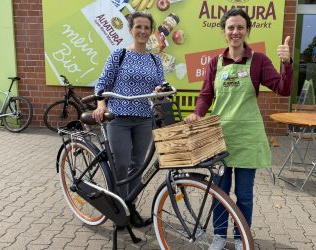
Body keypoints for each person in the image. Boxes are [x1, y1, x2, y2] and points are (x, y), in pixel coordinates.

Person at [185, 8, 293, 250]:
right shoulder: (215, 62)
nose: (235, 32)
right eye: (231, 27)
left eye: (240, 27)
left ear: (247, 31)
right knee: (220, 192)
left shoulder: (259, 61)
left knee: (244, 194)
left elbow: (283, 89)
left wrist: (286, 63)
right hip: (220, 137)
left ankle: (241, 236)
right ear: (224, 32)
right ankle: (220, 236)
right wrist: (197, 114)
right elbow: (206, 95)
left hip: (247, 138)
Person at [92, 11, 165, 228]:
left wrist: (160, 89)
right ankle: (118, 211)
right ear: (131, 30)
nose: (142, 31)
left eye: (146, 27)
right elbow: (102, 84)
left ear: (151, 31)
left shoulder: (155, 59)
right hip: (119, 117)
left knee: (137, 166)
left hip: (144, 118)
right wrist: (101, 105)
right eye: (138, 27)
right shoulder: (119, 54)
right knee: (120, 165)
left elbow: (159, 85)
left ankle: (129, 207)